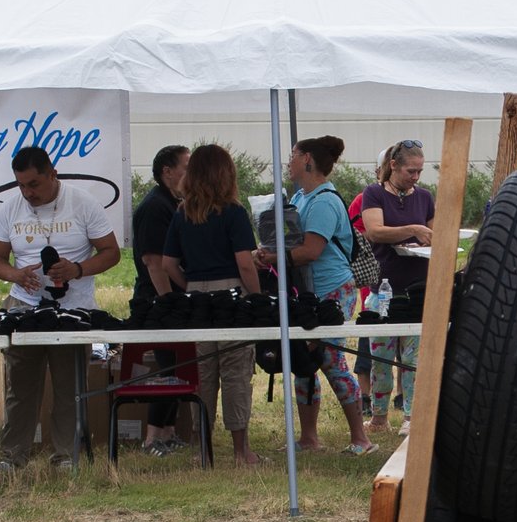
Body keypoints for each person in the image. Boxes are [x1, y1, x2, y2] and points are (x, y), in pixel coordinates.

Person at [0, 145, 121, 473]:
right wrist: (16, 275)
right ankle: (12, 456)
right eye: (21, 185)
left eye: (34, 184)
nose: (27, 192)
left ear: (52, 174)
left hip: (72, 309)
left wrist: (76, 269)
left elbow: (111, 252)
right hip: (24, 306)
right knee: (20, 385)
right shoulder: (10, 209)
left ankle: (65, 456)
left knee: (69, 386)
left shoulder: (83, 203)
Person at [265, 134, 375, 455]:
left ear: (308, 161)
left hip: (332, 293)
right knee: (304, 362)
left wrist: (272, 257)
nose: (289, 161)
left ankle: (361, 438)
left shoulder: (325, 201)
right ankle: (309, 438)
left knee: (331, 361)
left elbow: (311, 251)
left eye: (294, 155)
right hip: (308, 293)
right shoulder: (301, 196)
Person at [159, 143, 263, 467]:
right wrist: (257, 299)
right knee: (235, 372)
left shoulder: (182, 213)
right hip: (231, 295)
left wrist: (190, 285)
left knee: (203, 374)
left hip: (197, 299)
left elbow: (167, 263)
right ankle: (240, 451)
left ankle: (204, 451)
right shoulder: (233, 213)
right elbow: (245, 263)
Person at [360, 139, 435, 427]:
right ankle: (379, 415)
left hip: (418, 290)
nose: (415, 177)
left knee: (413, 360)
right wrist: (413, 230)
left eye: (419, 171)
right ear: (393, 166)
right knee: (381, 356)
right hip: (385, 290)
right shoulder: (374, 194)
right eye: (410, 171)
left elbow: (435, 231)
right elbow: (375, 231)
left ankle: (411, 416)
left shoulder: (425, 197)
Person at [127, 144, 190, 455]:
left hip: (168, 299)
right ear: (168, 172)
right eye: (186, 167)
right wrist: (168, 301)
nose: (190, 174)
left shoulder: (171, 203)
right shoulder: (155, 206)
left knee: (178, 367)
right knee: (167, 370)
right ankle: (152, 438)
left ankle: (168, 432)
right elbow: (153, 260)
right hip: (156, 300)